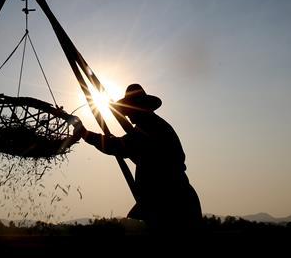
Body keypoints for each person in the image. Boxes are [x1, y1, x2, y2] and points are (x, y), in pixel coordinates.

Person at [75, 83, 202, 230]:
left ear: (140, 108)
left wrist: (85, 134)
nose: (127, 115)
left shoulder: (152, 129)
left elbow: (118, 146)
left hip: (173, 202)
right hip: (171, 198)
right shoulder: (150, 126)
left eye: (129, 110)